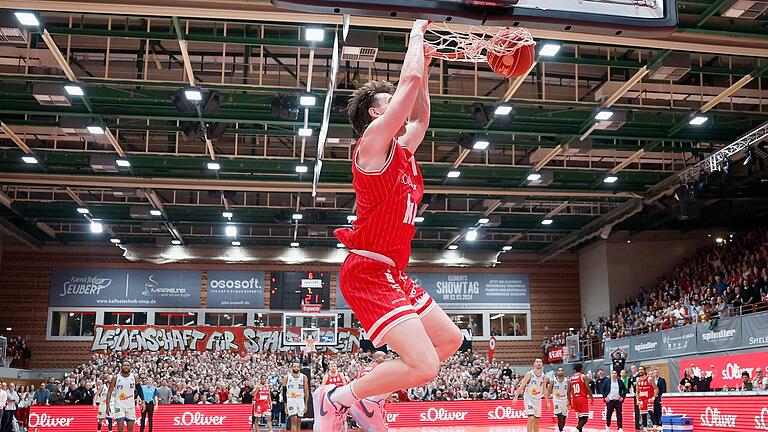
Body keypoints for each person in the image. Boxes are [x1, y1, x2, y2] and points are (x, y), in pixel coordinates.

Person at [314, 18, 463, 432]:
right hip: (368, 271)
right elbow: (409, 84)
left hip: (393, 273)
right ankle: (338, 397)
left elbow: (421, 117)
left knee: (450, 341)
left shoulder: (402, 151)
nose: (401, 103)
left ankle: (369, 399)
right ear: (377, 113)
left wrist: (428, 64)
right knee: (424, 365)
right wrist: (417, 34)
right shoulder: (373, 144)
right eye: (391, 100)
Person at [349, 351, 389, 432]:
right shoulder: (380, 369)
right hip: (372, 402)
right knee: (379, 428)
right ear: (380, 359)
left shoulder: (363, 371)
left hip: (359, 402)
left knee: (363, 427)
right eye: (385, 358)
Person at [514, 359, 550, 432]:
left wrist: (547, 402)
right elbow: (521, 386)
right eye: (537, 362)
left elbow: (544, 390)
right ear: (534, 364)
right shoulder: (529, 374)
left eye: (540, 362)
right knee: (531, 417)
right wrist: (516, 397)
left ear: (542, 364)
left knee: (536, 420)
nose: (538, 363)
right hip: (529, 398)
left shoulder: (544, 376)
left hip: (538, 399)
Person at [106, 362, 141, 432]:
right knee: (120, 426)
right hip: (119, 405)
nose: (126, 367)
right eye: (124, 365)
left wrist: (142, 401)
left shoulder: (134, 376)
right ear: (121, 367)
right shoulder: (116, 377)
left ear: (130, 367)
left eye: (128, 365)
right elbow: (109, 391)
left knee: (131, 429)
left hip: (130, 405)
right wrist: (107, 405)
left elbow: (139, 390)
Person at [282, 362, 308, 432]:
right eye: (294, 366)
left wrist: (306, 404)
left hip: (300, 400)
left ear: (299, 368)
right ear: (291, 368)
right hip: (291, 400)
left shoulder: (304, 377)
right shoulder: (286, 377)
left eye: (297, 366)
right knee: (294, 420)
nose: (296, 368)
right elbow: (284, 392)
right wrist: (285, 405)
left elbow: (306, 391)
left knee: (299, 421)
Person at [568, 363, 594, 432]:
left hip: (574, 399)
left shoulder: (570, 378)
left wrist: (570, 403)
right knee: (585, 418)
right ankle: (576, 429)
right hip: (581, 398)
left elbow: (568, 392)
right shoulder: (583, 376)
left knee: (580, 417)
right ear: (581, 368)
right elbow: (587, 388)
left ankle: (579, 430)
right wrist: (591, 398)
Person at [634, 366, 658, 431]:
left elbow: (656, 389)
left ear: (644, 371)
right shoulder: (637, 380)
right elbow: (637, 391)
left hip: (649, 399)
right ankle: (645, 428)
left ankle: (655, 426)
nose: (640, 371)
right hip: (642, 400)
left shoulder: (649, 379)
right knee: (643, 414)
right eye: (639, 370)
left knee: (650, 412)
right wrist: (637, 399)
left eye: (641, 369)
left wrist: (653, 398)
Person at [549, 367, 569, 432]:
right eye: (559, 370)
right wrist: (547, 401)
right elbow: (549, 391)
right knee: (559, 415)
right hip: (556, 400)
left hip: (564, 400)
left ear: (563, 372)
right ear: (557, 372)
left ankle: (561, 429)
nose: (560, 372)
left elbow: (569, 392)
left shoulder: (567, 381)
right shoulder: (553, 380)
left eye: (561, 370)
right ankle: (561, 430)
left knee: (564, 416)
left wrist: (569, 401)